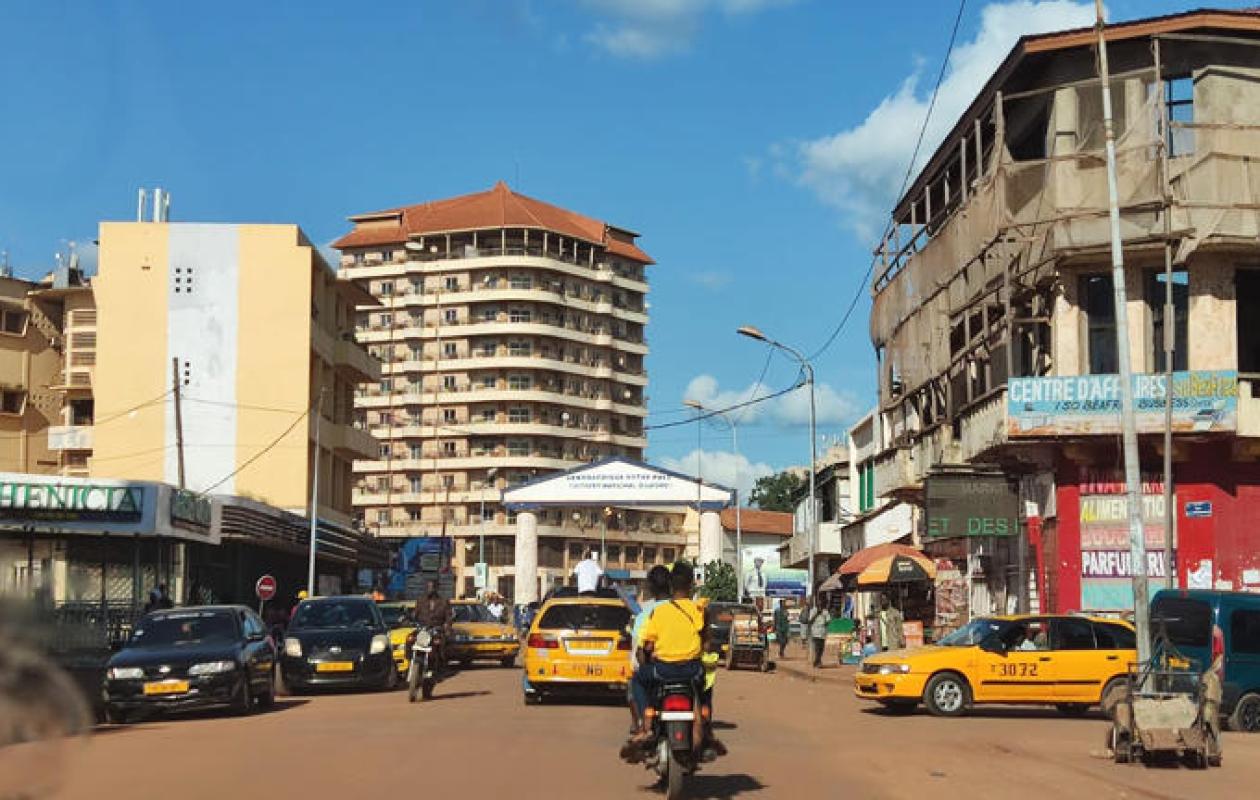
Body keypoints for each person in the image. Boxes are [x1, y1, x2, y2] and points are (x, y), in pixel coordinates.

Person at [625, 562, 707, 754]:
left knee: (637, 680)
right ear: (691, 586)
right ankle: (704, 726)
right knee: (703, 689)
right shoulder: (697, 609)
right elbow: (705, 640)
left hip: (663, 670)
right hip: (692, 670)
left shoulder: (657, 612)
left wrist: (648, 655)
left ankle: (645, 724)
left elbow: (646, 645)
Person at [626, 565, 673, 733]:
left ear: (650, 588)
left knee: (635, 681)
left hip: (657, 670)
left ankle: (643, 724)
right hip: (688, 670)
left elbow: (639, 651)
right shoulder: (684, 609)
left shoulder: (644, 614)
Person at [808, 596, 831, 668]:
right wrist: (817, 614)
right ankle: (818, 661)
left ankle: (817, 660)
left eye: (822, 604)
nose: (820, 605)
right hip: (815, 632)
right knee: (817, 647)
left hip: (823, 632)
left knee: (821, 648)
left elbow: (828, 621)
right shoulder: (813, 610)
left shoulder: (825, 611)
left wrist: (825, 623)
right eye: (819, 604)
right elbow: (810, 621)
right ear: (817, 604)